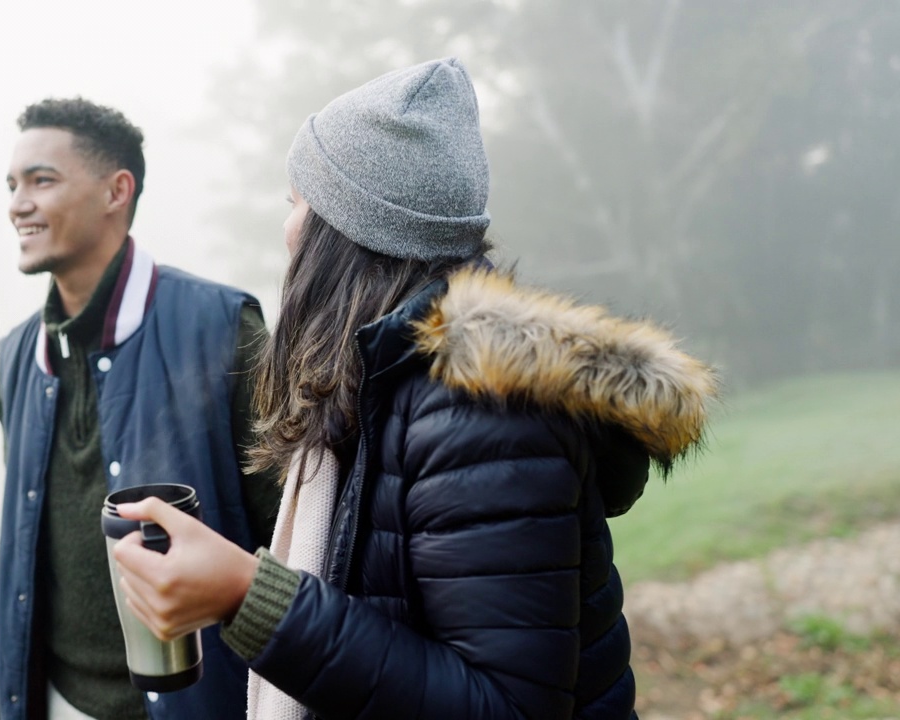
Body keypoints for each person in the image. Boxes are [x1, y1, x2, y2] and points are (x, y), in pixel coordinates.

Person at [111, 58, 717, 719]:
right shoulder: (384, 378)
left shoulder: (481, 410)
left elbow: (506, 708)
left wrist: (249, 597)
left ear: (349, 229)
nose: (287, 230)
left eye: (297, 203)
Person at [0, 98, 281, 720]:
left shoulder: (223, 331)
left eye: (41, 180)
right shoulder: (16, 359)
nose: (17, 204)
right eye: (12, 185)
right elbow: (16, 554)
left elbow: (298, 550)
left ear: (117, 190)